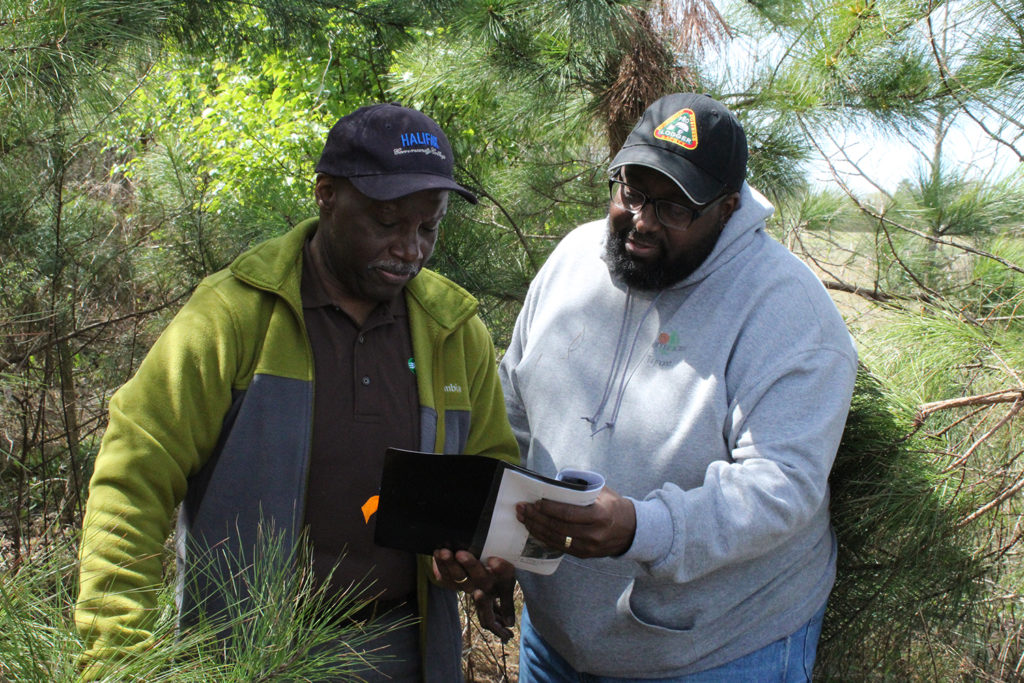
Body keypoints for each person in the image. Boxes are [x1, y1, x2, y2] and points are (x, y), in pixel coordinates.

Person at [75, 102, 519, 682]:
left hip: (406, 652)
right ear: (327, 195)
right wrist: (116, 657)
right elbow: (134, 476)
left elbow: (494, 479)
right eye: (387, 223)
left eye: (428, 226)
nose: (410, 249)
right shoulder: (233, 315)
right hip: (246, 657)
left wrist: (482, 559)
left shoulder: (452, 330)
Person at [498, 92, 858, 681]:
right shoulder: (571, 261)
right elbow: (512, 407)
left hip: (718, 650)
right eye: (631, 193)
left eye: (673, 208)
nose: (640, 222)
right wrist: (498, 539)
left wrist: (641, 529)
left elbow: (781, 487)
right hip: (557, 640)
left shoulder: (788, 311)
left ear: (727, 207)